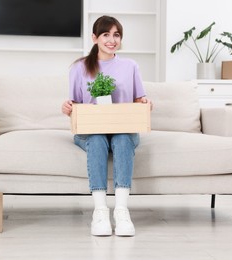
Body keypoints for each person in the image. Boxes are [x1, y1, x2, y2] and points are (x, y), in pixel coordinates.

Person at [61, 15, 151, 237]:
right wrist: (67, 107)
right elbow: (76, 105)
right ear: (94, 38)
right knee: (97, 139)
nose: (112, 40)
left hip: (123, 128)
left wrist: (146, 103)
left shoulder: (130, 66)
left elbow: (140, 100)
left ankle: (121, 211)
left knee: (121, 139)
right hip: (91, 131)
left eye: (116, 35)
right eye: (106, 34)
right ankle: (100, 211)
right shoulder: (79, 67)